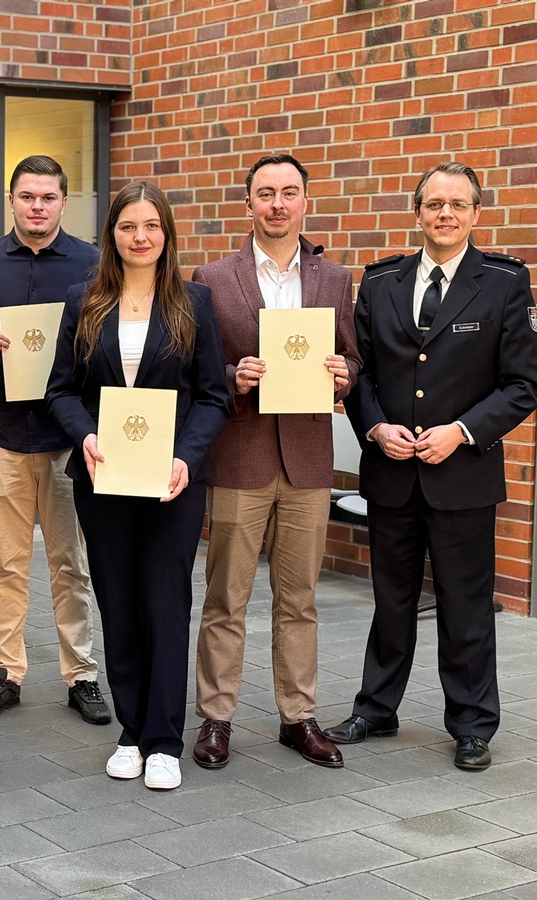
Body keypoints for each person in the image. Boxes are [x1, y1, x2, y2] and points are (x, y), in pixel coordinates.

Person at [326, 162, 537, 771]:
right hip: (392, 472)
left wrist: (462, 432)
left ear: (476, 214)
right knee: (390, 601)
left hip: (463, 475)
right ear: (417, 212)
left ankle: (472, 724)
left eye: (458, 204)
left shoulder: (504, 282)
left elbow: (524, 385)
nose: (446, 214)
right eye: (434, 204)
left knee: (465, 605)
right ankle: (376, 708)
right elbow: (359, 373)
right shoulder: (381, 282)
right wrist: (374, 427)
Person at [46, 182, 228, 791]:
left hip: (172, 481)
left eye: (151, 226)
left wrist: (185, 457)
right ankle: (131, 731)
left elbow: (213, 396)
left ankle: (165, 740)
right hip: (104, 476)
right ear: (112, 235)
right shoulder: (85, 300)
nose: (140, 237)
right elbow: (60, 390)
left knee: (166, 603)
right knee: (118, 601)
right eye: (128, 226)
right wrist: (85, 435)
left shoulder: (194, 302)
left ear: (167, 234)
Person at [190, 154, 360, 771]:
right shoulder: (212, 277)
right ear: (249, 204)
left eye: (289, 192)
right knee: (225, 598)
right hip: (241, 455)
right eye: (266, 193)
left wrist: (343, 374)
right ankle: (216, 717)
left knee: (299, 598)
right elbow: (198, 368)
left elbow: (353, 357)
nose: (278, 204)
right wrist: (233, 376)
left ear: (305, 201)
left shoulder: (334, 279)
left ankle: (298, 716)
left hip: (307, 461)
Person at [0, 155, 111, 726]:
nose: (37, 207)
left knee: (72, 563)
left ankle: (82, 674)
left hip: (71, 441)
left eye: (48, 197)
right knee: (8, 565)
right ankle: (6, 672)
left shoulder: (95, 265)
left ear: (64, 202)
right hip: (3, 438)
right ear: (11, 201)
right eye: (27, 196)